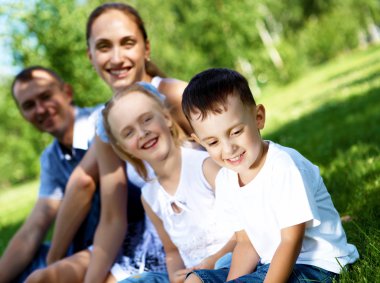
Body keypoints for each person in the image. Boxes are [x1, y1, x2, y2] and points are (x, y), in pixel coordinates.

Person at [26, 3, 191, 283]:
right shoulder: (105, 126)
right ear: (90, 56)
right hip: (141, 243)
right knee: (40, 279)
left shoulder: (175, 96)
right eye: (104, 47)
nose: (116, 58)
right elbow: (113, 220)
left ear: (146, 48)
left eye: (127, 43)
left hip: (191, 238)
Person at [181, 68, 359, 283]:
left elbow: (291, 240)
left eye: (236, 132)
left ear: (258, 118)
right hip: (268, 265)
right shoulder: (226, 179)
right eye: (213, 142)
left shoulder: (283, 166)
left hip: (314, 265)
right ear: (200, 142)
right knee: (193, 281)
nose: (228, 149)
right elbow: (246, 243)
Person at [102, 83, 235, 283]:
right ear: (124, 148)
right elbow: (172, 252)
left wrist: (212, 262)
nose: (142, 132)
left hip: (233, 263)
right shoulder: (149, 196)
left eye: (146, 119)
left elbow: (248, 229)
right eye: (129, 132)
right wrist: (175, 276)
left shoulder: (205, 167)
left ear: (166, 118)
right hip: (193, 275)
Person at [0, 66, 101, 283]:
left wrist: (53, 262)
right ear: (23, 115)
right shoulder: (51, 158)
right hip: (82, 248)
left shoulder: (102, 122)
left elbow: (84, 184)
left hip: (115, 245)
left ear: (67, 93)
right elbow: (34, 227)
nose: (41, 109)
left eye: (46, 96)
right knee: (25, 261)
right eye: (29, 105)